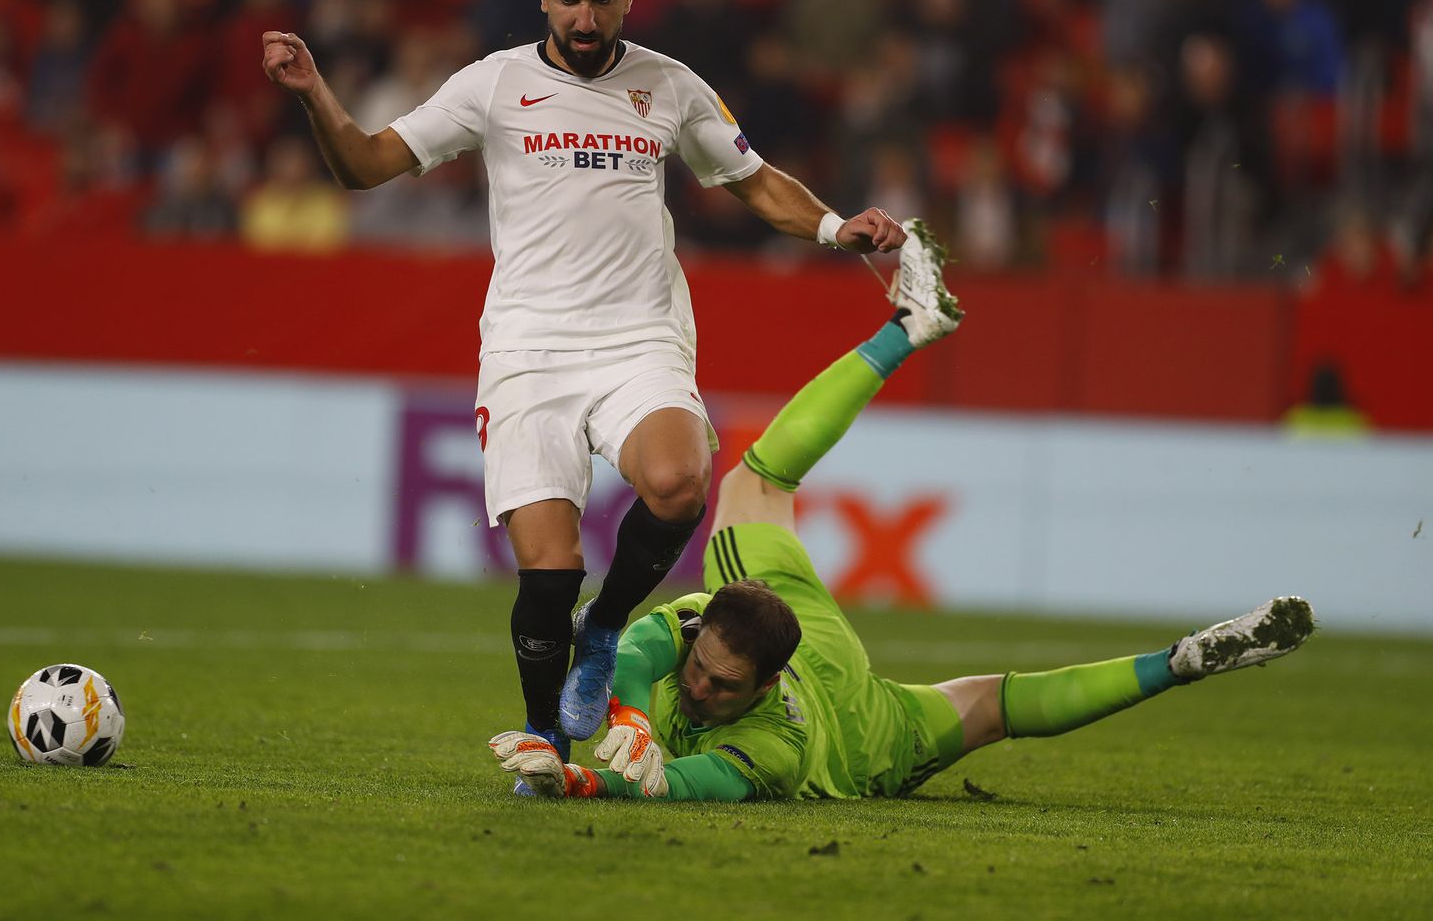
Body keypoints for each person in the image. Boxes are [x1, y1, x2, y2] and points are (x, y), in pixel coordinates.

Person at [261, 0, 906, 784]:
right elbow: (367, 163)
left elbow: (752, 180)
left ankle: (606, 627)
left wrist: (836, 227)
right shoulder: (493, 85)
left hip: (638, 337)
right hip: (528, 347)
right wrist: (314, 95)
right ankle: (546, 744)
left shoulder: (670, 85)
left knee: (680, 483)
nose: (586, 19)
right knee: (547, 565)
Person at [490, 222, 1315, 800]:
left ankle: (913, 324)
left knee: (1000, 702)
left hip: (858, 738)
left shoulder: (771, 750)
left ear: (767, 684)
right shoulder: (718, 631)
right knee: (757, 487)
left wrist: (583, 778)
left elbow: (689, 784)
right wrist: (631, 704)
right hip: (830, 657)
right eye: (701, 666)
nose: (699, 688)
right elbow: (643, 637)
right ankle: (1183, 660)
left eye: (717, 685)